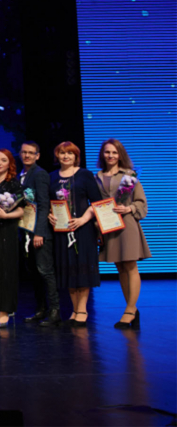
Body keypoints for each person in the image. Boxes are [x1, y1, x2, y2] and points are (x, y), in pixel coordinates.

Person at [96, 138, 150, 329]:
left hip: (127, 225)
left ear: (120, 155)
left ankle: (130, 310)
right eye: (107, 152)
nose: (110, 155)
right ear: (102, 154)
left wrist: (129, 209)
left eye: (114, 152)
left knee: (130, 265)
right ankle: (132, 309)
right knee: (120, 267)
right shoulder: (97, 177)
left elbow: (141, 203)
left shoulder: (129, 176)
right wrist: (97, 228)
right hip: (108, 226)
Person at [47, 142, 103, 326]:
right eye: (62, 153)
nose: (66, 156)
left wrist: (83, 220)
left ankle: (82, 310)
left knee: (82, 269)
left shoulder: (85, 174)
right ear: (57, 155)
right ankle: (74, 309)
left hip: (83, 230)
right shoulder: (52, 177)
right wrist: (50, 215)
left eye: (70, 153)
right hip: (62, 231)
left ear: (76, 156)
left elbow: (96, 202)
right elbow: (48, 202)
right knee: (68, 269)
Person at [17, 142, 60, 327]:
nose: (27, 155)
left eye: (31, 153)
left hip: (39, 233)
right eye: (24, 152)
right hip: (26, 231)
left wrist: (39, 232)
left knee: (45, 271)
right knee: (34, 272)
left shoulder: (40, 173)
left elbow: (43, 204)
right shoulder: (22, 175)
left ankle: (55, 311)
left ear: (37, 155)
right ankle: (41, 309)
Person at [0, 149, 24, 327]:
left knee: (5, 271)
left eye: (3, 160)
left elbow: (22, 210)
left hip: (6, 232)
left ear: (10, 164)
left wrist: (5, 216)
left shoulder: (13, 184)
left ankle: (5, 312)